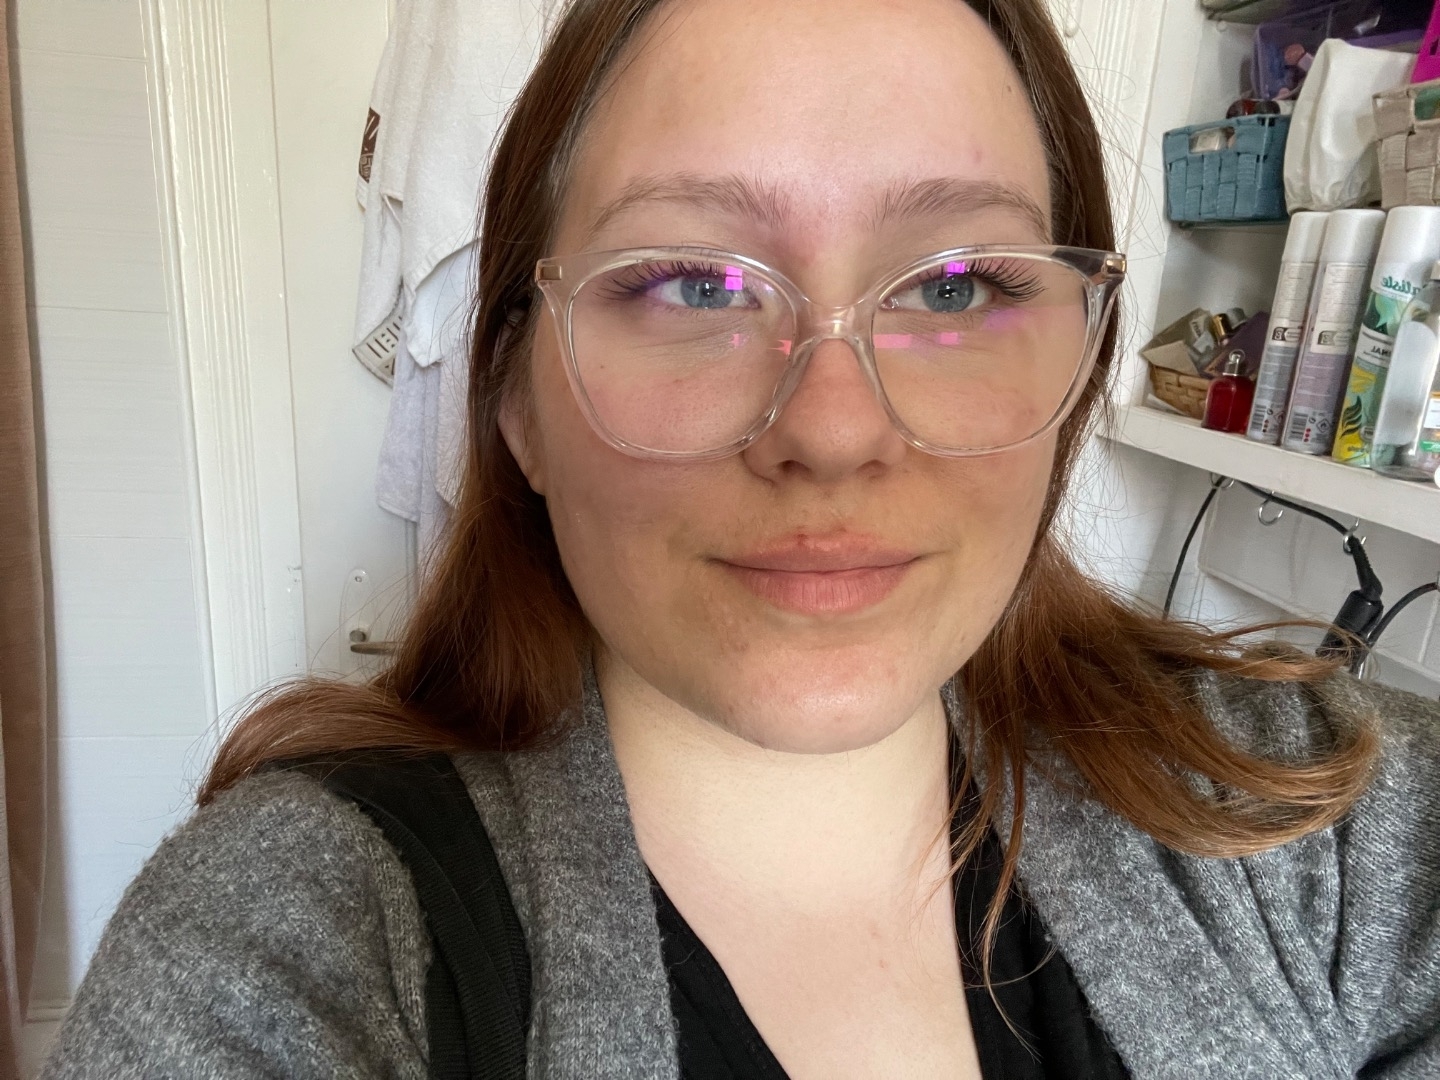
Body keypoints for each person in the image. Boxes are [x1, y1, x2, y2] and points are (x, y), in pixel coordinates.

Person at [40, 0, 1440, 1076]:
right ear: (516, 399)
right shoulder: (306, 945)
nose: (831, 431)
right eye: (694, 283)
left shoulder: (1316, 829)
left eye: (955, 284)